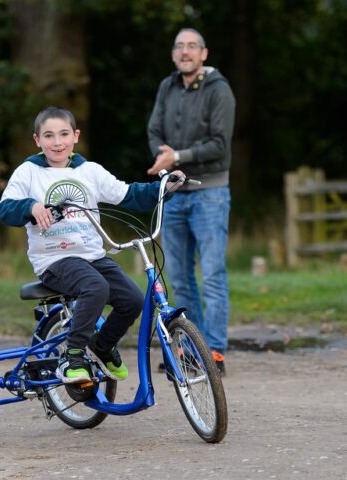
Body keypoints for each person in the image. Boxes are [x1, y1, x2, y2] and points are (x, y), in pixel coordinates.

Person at [0, 106, 184, 383]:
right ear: (37, 140)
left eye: (63, 134)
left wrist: (162, 188)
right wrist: (31, 206)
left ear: (75, 136)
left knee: (132, 300)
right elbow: (4, 209)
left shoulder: (89, 171)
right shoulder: (28, 173)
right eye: (48, 136)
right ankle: (73, 357)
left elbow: (128, 194)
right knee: (96, 287)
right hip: (55, 259)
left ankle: (101, 347)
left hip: (92, 255)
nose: (57, 142)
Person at [147, 28, 236, 375]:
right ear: (173, 55)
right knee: (180, 279)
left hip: (210, 193)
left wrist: (177, 156)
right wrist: (163, 155)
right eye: (179, 47)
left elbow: (220, 145)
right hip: (173, 193)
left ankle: (214, 351)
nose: (185, 52)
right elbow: (154, 131)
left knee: (212, 274)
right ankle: (189, 350)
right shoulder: (167, 87)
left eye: (192, 47)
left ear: (204, 54)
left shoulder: (220, 90)